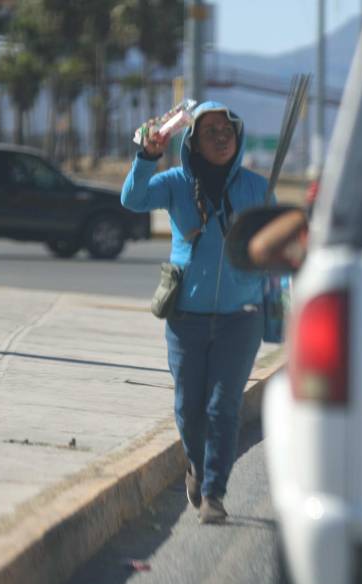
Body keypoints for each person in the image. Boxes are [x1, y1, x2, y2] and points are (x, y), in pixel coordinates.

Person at [121, 101, 270, 524]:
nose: (222, 137)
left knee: (223, 407)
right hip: (185, 316)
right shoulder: (174, 183)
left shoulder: (258, 189)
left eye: (228, 130)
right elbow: (132, 199)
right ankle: (197, 466)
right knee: (189, 408)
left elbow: (276, 248)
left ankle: (213, 493)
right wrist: (147, 157)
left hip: (242, 316)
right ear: (194, 141)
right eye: (211, 131)